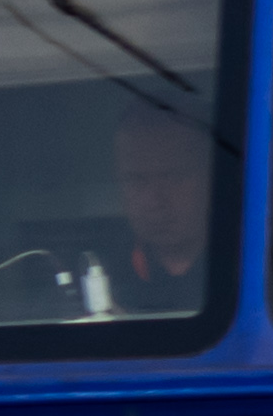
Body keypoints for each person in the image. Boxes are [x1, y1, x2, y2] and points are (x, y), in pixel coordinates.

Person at [82, 97, 215, 316]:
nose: (154, 200)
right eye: (136, 180)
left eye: (173, 178)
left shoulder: (252, 268)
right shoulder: (94, 273)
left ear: (210, 176)